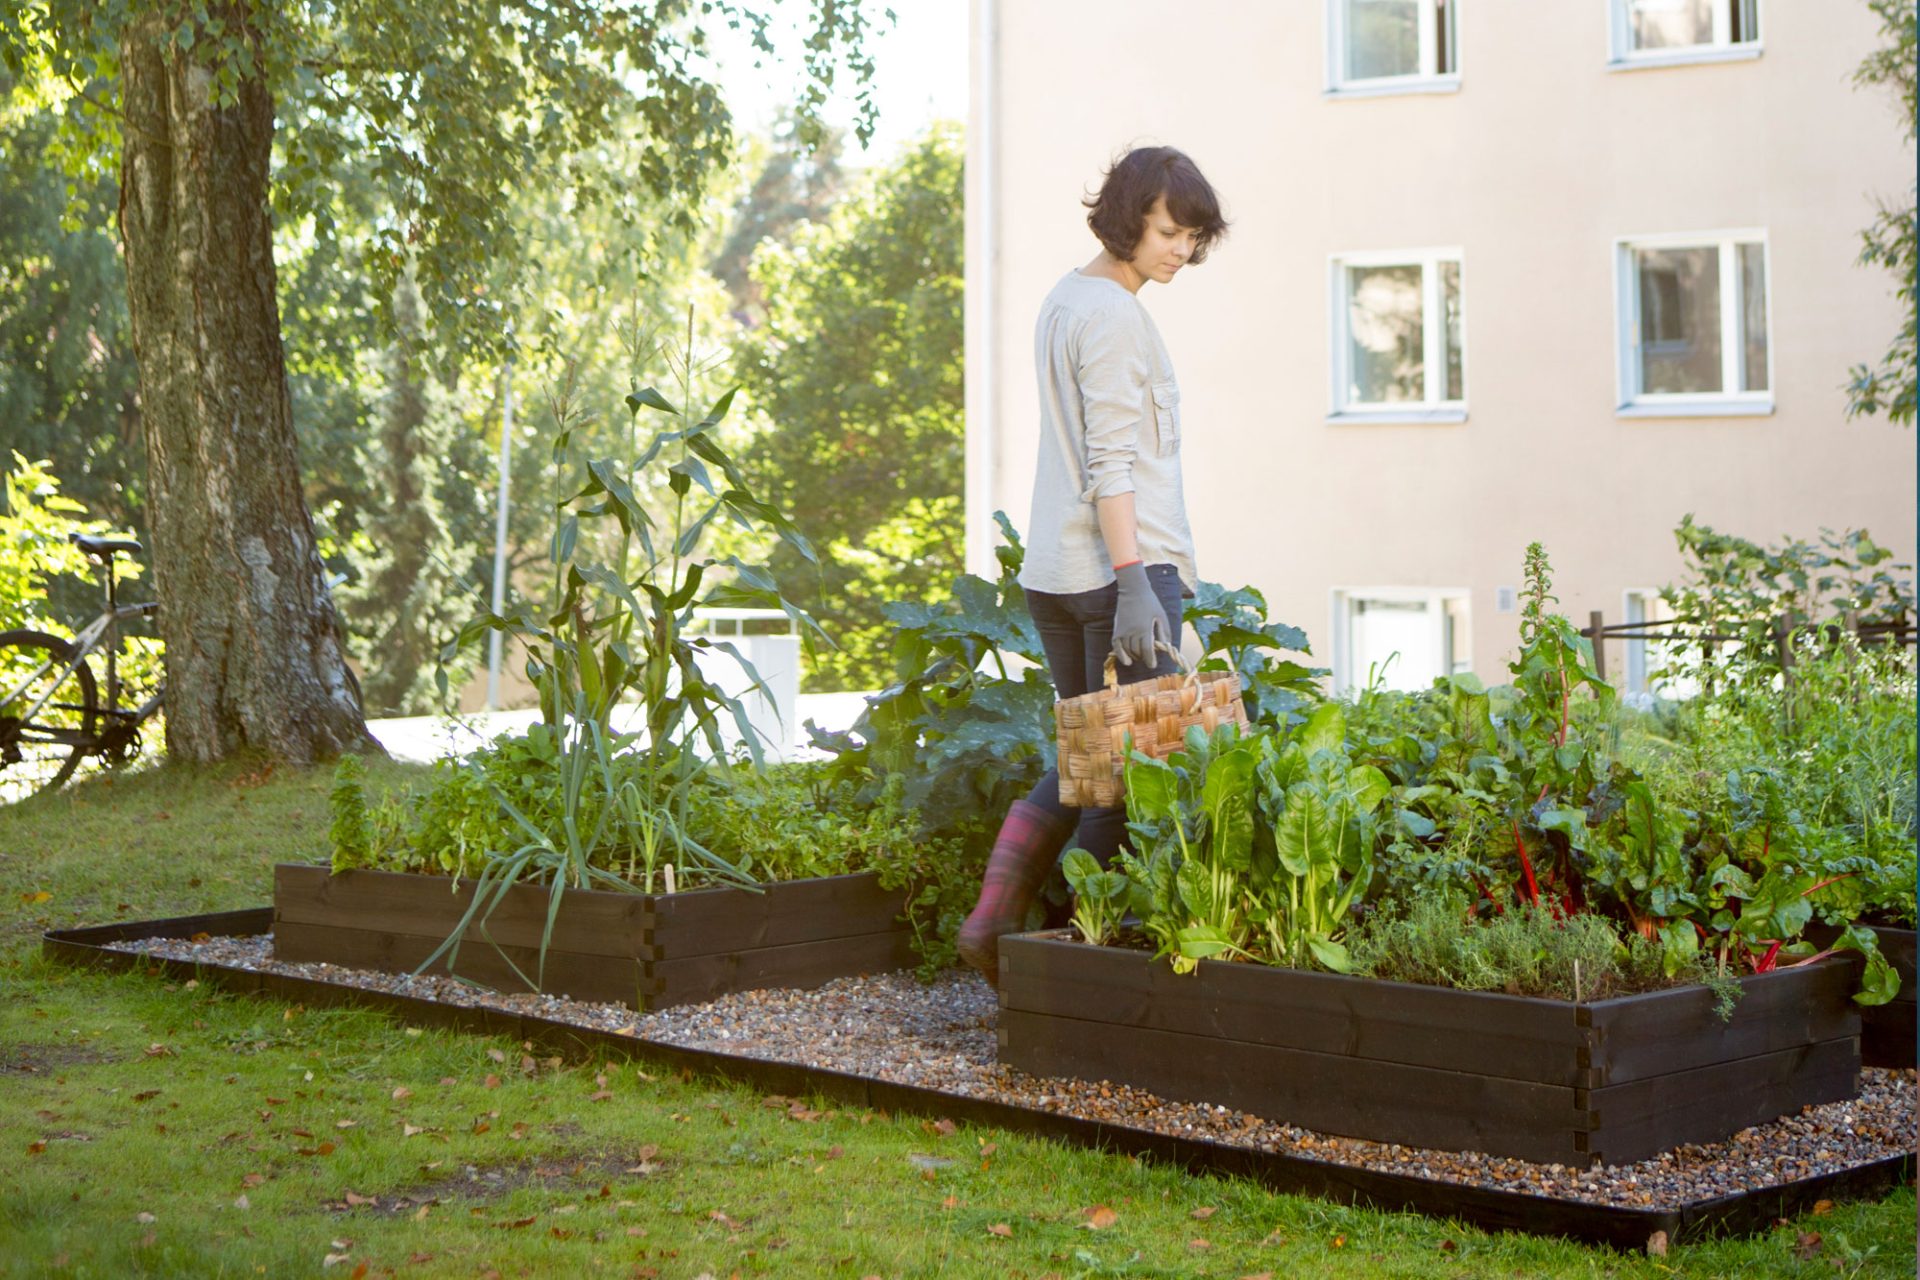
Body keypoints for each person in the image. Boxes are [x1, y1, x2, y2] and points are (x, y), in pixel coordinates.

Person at [956, 145, 1228, 985]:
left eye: (1191, 237)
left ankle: (995, 917)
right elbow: (1112, 462)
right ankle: (1067, 962)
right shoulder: (1112, 315)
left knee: (1088, 757)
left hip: (1057, 570)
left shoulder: (1065, 299)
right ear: (1128, 218)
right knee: (1127, 773)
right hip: (1120, 575)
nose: (1181, 250)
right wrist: (1137, 578)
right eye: (1168, 232)